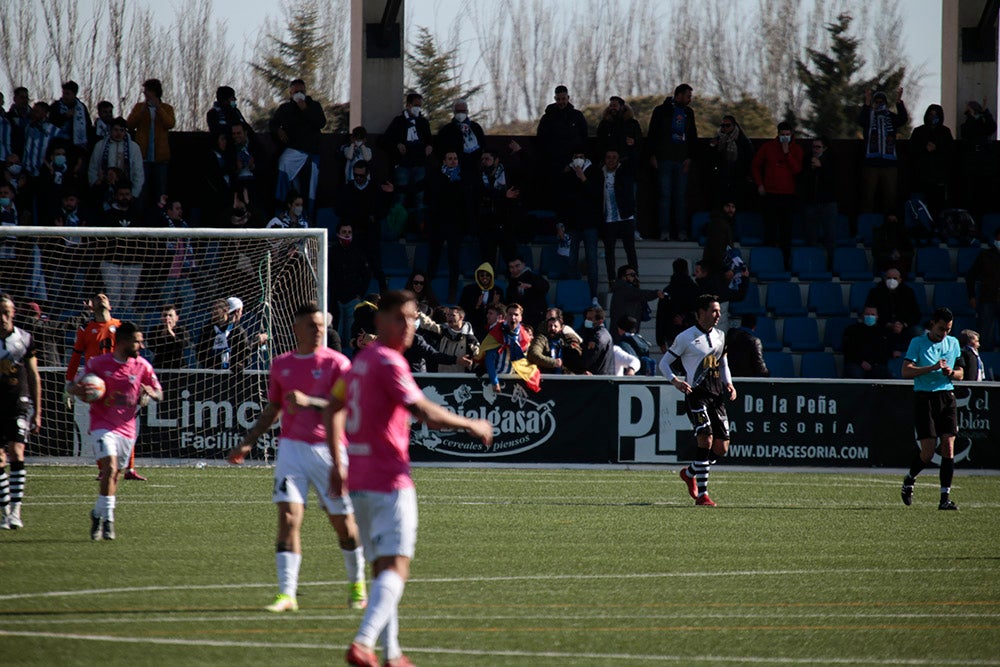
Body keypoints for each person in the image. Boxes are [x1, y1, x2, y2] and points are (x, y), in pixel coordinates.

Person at [325, 290, 493, 667]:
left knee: (383, 570)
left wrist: (339, 462)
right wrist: (471, 422)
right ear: (380, 321)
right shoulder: (388, 362)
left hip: (360, 479)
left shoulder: (362, 361)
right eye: (400, 317)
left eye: (413, 317)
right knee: (397, 567)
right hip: (389, 479)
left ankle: (393, 653)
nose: (409, 325)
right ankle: (363, 643)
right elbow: (423, 411)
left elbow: (334, 405)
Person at [228, 302, 367, 612]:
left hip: (330, 450)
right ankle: (287, 594)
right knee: (288, 519)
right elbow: (273, 408)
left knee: (343, 525)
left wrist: (309, 401)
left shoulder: (338, 363)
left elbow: (345, 407)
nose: (319, 330)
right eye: (312, 326)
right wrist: (247, 442)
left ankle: (357, 585)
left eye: (321, 325)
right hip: (291, 450)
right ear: (296, 329)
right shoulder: (281, 364)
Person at [68, 321, 162, 540]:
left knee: (115, 476)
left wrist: (151, 392)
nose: (141, 345)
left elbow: (159, 393)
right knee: (109, 468)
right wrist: (78, 389)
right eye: (137, 341)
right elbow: (72, 386)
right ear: (122, 342)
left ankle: (97, 513)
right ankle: (108, 521)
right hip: (102, 426)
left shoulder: (143, 366)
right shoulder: (98, 364)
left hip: (127, 429)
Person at [659, 294, 737, 507]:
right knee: (706, 439)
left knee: (722, 448)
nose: (718, 314)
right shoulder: (686, 337)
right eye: (714, 310)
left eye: (719, 311)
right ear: (700, 313)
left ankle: (689, 472)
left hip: (716, 396)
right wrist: (676, 381)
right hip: (696, 395)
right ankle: (703, 495)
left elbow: (723, 364)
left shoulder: (721, 335)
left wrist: (729, 384)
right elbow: (664, 363)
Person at [66, 292, 144, 480]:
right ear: (91, 305)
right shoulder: (85, 328)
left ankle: (130, 470)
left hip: (121, 380)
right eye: (97, 298)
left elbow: (133, 352)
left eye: (105, 297)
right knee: (98, 427)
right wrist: (69, 383)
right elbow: (76, 356)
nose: (101, 299)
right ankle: (103, 470)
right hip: (97, 383)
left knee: (126, 423)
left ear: (110, 304)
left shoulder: (120, 326)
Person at [900, 307, 963, 510]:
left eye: (948, 329)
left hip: (946, 395)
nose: (944, 333)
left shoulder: (953, 343)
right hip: (925, 397)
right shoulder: (917, 343)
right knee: (927, 451)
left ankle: (944, 498)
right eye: (941, 328)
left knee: (948, 445)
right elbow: (906, 371)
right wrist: (932, 368)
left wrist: (951, 372)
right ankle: (910, 479)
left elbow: (961, 373)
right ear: (932, 324)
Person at [0, 295, 41, 529]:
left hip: (18, 402)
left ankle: (16, 511)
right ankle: (5, 512)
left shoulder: (25, 338)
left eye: (7, 312)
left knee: (17, 452)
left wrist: (37, 410)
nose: (4, 317)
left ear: (13, 313)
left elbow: (34, 375)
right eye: (0, 312)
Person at [648, 84, 697, 240]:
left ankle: (681, 231)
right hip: (664, 158)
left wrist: (690, 157)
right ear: (679, 95)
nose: (690, 99)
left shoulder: (689, 113)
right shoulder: (661, 110)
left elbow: (693, 136)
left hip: (682, 159)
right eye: (688, 96)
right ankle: (664, 231)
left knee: (681, 197)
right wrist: (652, 154)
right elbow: (652, 133)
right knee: (665, 196)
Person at [270, 79, 327, 215]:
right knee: (285, 171)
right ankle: (284, 210)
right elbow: (273, 123)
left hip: (311, 153)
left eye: (302, 91)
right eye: (296, 92)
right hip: (293, 150)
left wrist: (305, 109)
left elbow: (321, 123)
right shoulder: (285, 109)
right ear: (290, 93)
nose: (299, 94)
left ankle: (308, 217)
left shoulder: (314, 106)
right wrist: (279, 130)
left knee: (309, 190)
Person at [751, 121, 803, 268]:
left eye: (787, 135)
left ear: (792, 134)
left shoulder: (797, 149)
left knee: (786, 232)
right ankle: (769, 262)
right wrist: (760, 184)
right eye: (782, 135)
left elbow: (797, 169)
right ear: (778, 134)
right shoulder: (768, 147)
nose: (785, 137)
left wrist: (787, 153)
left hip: (788, 195)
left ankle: (785, 262)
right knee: (770, 229)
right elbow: (755, 165)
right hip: (771, 194)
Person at [383, 92, 433, 234]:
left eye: (420, 106)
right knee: (400, 197)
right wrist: (397, 145)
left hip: (419, 164)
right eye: (415, 105)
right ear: (408, 105)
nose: (417, 108)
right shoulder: (398, 121)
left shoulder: (423, 122)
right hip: (403, 165)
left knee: (420, 198)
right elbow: (385, 140)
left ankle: (421, 231)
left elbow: (429, 139)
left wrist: (429, 146)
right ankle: (395, 231)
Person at [126, 78, 175, 207]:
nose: (146, 94)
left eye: (148, 91)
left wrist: (158, 109)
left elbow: (170, 123)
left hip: (160, 158)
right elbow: (130, 124)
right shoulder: (139, 107)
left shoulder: (167, 108)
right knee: (141, 190)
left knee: (161, 192)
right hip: (143, 157)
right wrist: (142, 111)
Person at [858, 88, 907, 215]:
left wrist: (899, 102)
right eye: (877, 102)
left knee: (890, 196)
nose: (879, 104)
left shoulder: (890, 117)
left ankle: (889, 224)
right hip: (871, 163)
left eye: (882, 102)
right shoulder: (869, 116)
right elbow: (861, 120)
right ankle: (866, 224)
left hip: (889, 163)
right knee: (868, 195)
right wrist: (867, 102)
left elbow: (902, 119)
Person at [536, 85, 588, 204]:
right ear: (555, 98)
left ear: (568, 98)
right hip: (553, 163)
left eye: (563, 99)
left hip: (574, 163)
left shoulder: (577, 116)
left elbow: (583, 137)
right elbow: (541, 140)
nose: (561, 102)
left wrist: (577, 159)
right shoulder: (547, 118)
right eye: (558, 99)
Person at [476, 302, 541, 393]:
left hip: (512, 380)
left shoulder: (524, 337)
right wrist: (495, 382)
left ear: (521, 318)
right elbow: (489, 359)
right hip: (493, 381)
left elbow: (524, 360)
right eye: (510, 314)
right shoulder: (497, 332)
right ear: (506, 317)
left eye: (516, 315)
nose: (513, 317)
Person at [597, 149, 639, 286]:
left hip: (625, 216)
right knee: (609, 251)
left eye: (614, 157)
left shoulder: (625, 171)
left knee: (630, 250)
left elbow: (634, 163)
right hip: (609, 218)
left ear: (618, 159)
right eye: (608, 157)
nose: (611, 160)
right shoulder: (599, 173)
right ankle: (612, 280)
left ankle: (634, 278)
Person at [908, 104, 954, 222]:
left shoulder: (945, 132)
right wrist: (924, 148)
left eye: (936, 114)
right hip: (921, 176)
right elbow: (911, 149)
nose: (933, 117)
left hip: (938, 177)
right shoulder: (919, 131)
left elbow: (950, 150)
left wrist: (936, 148)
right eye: (931, 114)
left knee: (937, 207)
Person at [800, 136, 838, 268]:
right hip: (811, 202)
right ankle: (814, 264)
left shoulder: (831, 161)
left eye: (818, 147)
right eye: (813, 147)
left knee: (830, 235)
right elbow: (803, 179)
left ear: (824, 148)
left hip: (828, 203)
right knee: (812, 235)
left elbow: (834, 180)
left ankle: (831, 265)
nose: (815, 150)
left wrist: (821, 167)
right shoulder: (807, 160)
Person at [865, 268, 922, 354]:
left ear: (900, 280)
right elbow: (870, 312)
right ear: (884, 278)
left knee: (918, 331)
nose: (891, 281)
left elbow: (916, 314)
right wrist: (887, 324)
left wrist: (903, 324)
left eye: (895, 278)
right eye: (888, 278)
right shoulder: (875, 292)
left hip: (904, 327)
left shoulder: (908, 292)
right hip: (883, 326)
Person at [708, 114, 755, 208]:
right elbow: (713, 158)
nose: (725, 128)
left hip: (739, 177)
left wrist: (748, 175)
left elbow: (749, 158)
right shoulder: (719, 140)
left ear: (734, 126)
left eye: (728, 125)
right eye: (723, 125)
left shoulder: (743, 141)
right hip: (723, 177)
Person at [966, 227, 1000, 350]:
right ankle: (985, 363)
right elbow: (970, 276)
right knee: (985, 336)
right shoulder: (985, 255)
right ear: (996, 238)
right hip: (987, 298)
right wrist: (972, 296)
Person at [609, 265, 662, 342]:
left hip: (624, 330)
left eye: (636, 275)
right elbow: (640, 294)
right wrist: (656, 293)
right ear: (623, 277)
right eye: (632, 275)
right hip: (623, 332)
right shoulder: (624, 288)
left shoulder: (623, 288)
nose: (635, 278)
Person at [656, 258, 700, 352]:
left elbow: (661, 316)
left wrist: (660, 341)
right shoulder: (695, 289)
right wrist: (687, 321)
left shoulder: (668, 291)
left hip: (672, 332)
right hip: (692, 331)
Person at [196, 298, 250, 372]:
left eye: (216, 309)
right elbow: (200, 352)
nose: (213, 312)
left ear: (225, 310)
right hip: (211, 372)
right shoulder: (207, 330)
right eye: (212, 309)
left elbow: (245, 352)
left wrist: (239, 365)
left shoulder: (238, 331)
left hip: (231, 374)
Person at [436, 98, 485, 175]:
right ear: (454, 112)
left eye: (463, 111)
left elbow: (482, 143)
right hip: (455, 165)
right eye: (458, 111)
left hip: (473, 164)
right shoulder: (447, 129)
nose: (461, 113)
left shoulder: (475, 127)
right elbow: (440, 147)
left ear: (467, 112)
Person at [527, 307, 583, 375]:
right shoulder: (541, 336)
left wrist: (581, 372)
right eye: (547, 319)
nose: (552, 328)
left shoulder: (566, 333)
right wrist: (553, 362)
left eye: (555, 326)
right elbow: (533, 354)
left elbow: (577, 354)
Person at [842, 306, 891, 379]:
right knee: (855, 373)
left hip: (876, 365)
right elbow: (848, 349)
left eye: (872, 314)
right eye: (867, 314)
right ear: (862, 316)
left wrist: (873, 364)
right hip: (856, 363)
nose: (870, 316)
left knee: (884, 373)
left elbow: (884, 352)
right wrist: (860, 362)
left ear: (877, 317)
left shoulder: (882, 332)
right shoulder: (852, 330)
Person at [458, 262, 503, 340]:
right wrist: (477, 305)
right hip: (474, 326)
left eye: (487, 275)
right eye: (482, 275)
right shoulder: (468, 290)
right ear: (477, 276)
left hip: (492, 328)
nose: (484, 277)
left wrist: (495, 304)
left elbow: (503, 311)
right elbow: (462, 308)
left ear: (491, 276)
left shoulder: (498, 291)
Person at [504, 256, 549, 329]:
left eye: (517, 266)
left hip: (536, 319)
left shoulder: (533, 277)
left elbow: (546, 286)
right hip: (519, 320)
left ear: (524, 265)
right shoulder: (511, 283)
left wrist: (531, 286)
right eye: (511, 267)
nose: (515, 269)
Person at [146, 304, 190, 369]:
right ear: (161, 317)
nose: (167, 318)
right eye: (165, 315)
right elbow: (151, 347)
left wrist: (171, 333)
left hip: (178, 367)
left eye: (170, 315)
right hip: (160, 366)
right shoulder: (155, 330)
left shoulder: (182, 330)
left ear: (176, 318)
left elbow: (183, 345)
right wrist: (161, 336)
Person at [579, 305, 615, 376]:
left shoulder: (598, 337)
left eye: (590, 319)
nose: (586, 321)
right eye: (586, 318)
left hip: (598, 380)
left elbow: (588, 360)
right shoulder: (600, 334)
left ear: (600, 321)